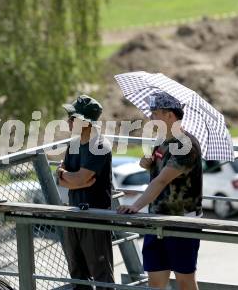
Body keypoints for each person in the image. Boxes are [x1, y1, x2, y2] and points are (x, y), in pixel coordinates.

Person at [117, 92, 203, 290]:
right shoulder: (162, 140)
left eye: (155, 113)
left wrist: (136, 206)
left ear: (170, 116)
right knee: (155, 281)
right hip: (157, 218)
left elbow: (162, 180)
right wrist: (146, 163)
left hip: (181, 221)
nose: (150, 118)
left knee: (185, 281)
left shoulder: (186, 145)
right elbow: (155, 169)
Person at [56, 95, 114, 290]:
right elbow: (65, 179)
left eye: (73, 118)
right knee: (77, 274)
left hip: (95, 216)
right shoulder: (72, 145)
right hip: (74, 214)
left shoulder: (100, 146)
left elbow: (78, 178)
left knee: (101, 275)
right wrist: (74, 180)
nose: (69, 122)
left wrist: (70, 178)